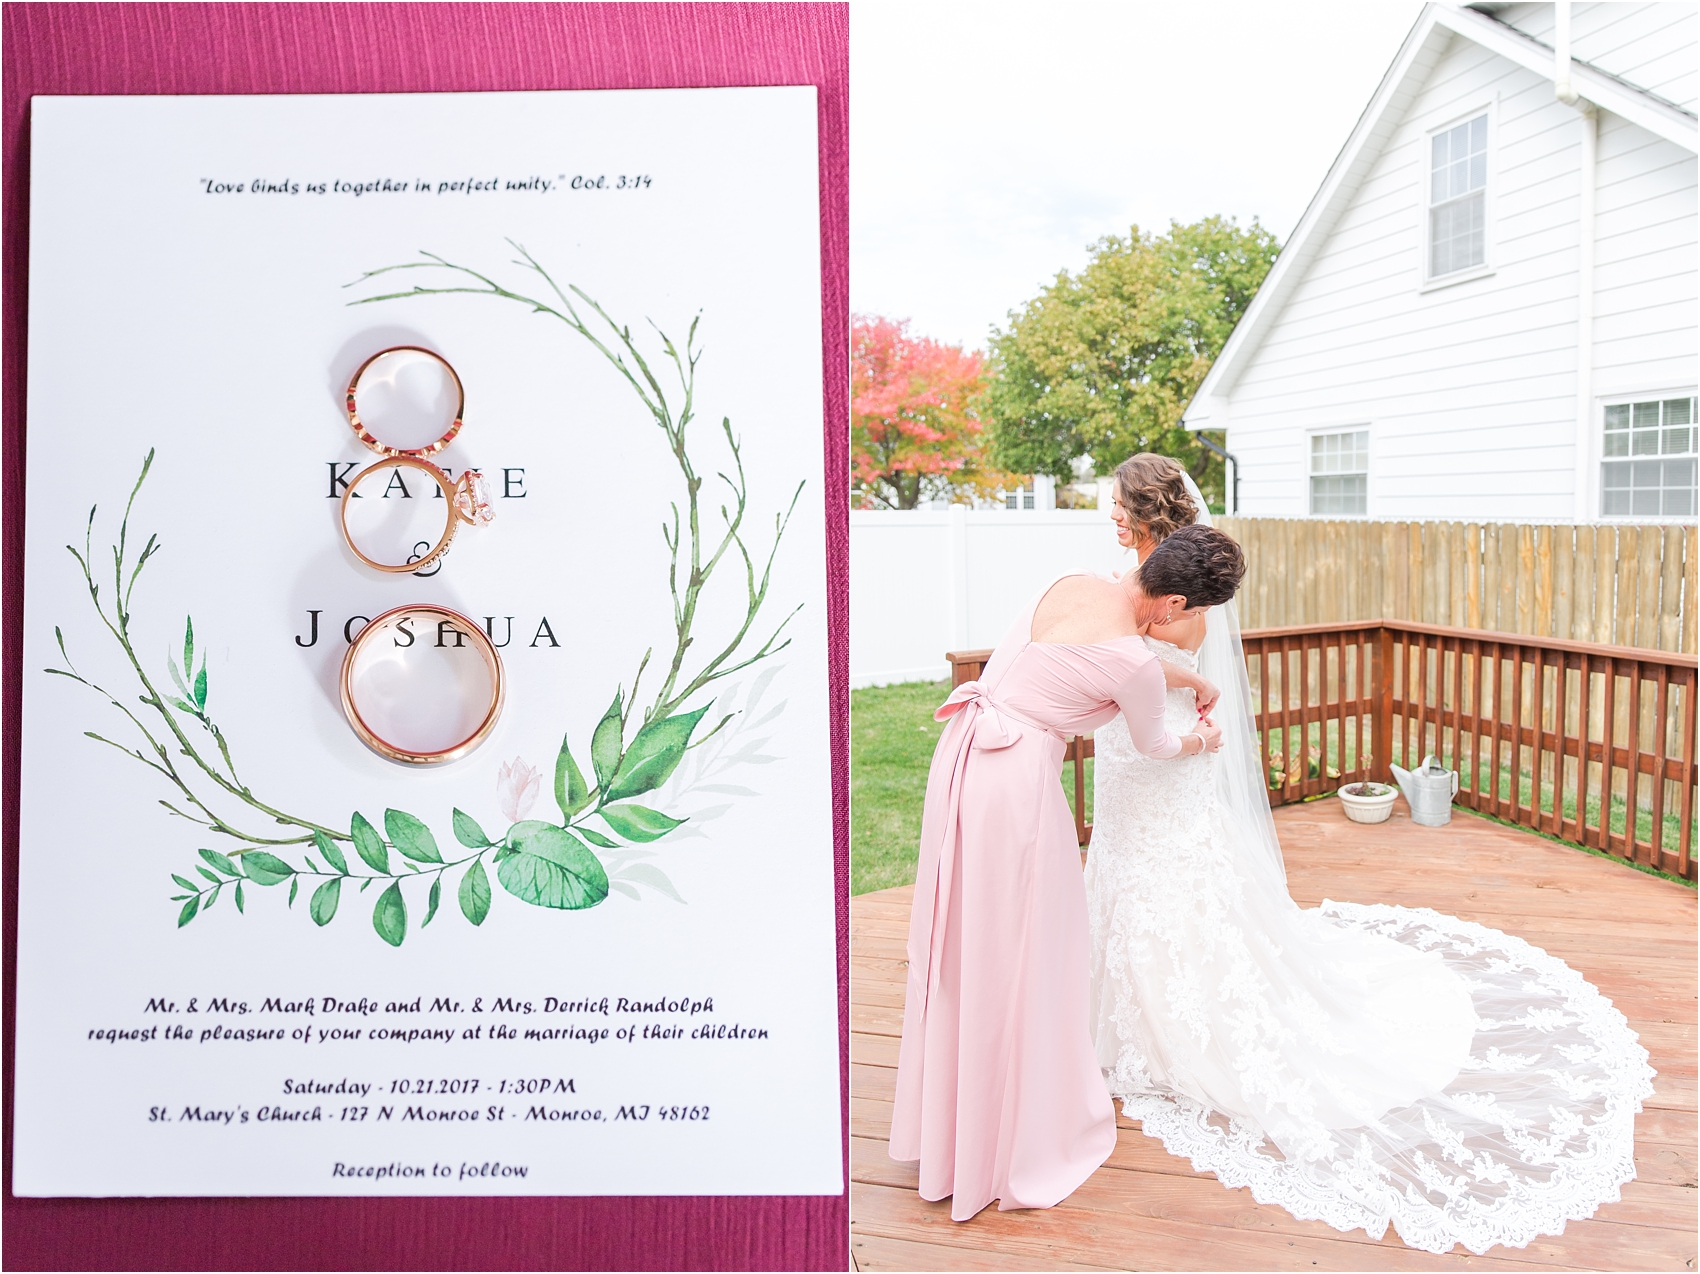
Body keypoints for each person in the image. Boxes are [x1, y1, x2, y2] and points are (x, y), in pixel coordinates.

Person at [1086, 453, 1655, 1256]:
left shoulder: (1176, 601)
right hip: (1129, 765)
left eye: (1116, 502)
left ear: (1145, 508)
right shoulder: (1134, 578)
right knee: (1125, 877)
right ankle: (1120, 1012)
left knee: (1170, 886)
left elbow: (1144, 665)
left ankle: (1173, 1025)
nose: (1107, 512)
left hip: (1164, 765)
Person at [889, 524, 1248, 1221]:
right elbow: (1157, 743)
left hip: (963, 758)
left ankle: (949, 1129)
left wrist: (1188, 675)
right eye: (1195, 613)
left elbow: (1084, 663)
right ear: (1173, 605)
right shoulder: (1136, 665)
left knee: (962, 942)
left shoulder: (1070, 581)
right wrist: (1203, 737)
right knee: (1025, 953)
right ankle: (1003, 1138)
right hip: (1014, 792)